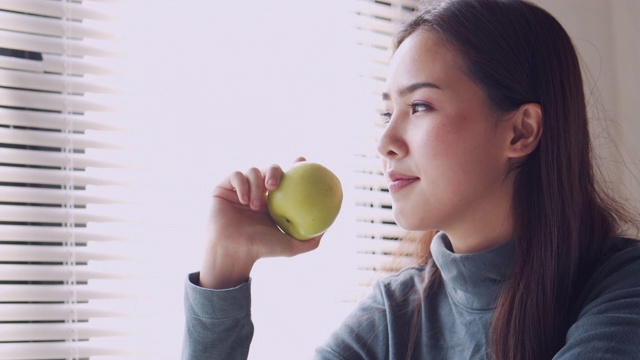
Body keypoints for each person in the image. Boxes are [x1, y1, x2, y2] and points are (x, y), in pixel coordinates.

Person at [182, 0, 640, 359]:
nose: (385, 141)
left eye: (419, 106)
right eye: (388, 111)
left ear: (520, 131)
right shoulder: (395, 314)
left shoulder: (624, 290)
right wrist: (224, 268)